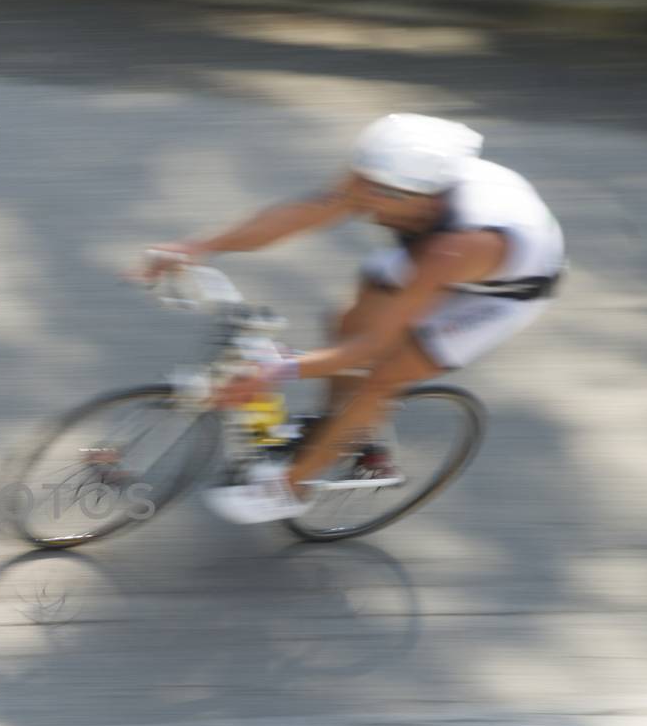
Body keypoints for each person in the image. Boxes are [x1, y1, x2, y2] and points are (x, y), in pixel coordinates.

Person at [137, 113, 565, 524]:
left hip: (497, 294)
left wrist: (280, 370)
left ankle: (289, 488)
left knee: (385, 374)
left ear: (424, 197)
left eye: (379, 194)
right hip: (433, 252)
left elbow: (375, 347)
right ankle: (339, 428)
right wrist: (198, 247)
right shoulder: (393, 179)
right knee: (344, 322)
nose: (361, 199)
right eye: (362, 183)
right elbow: (299, 215)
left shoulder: (460, 245)